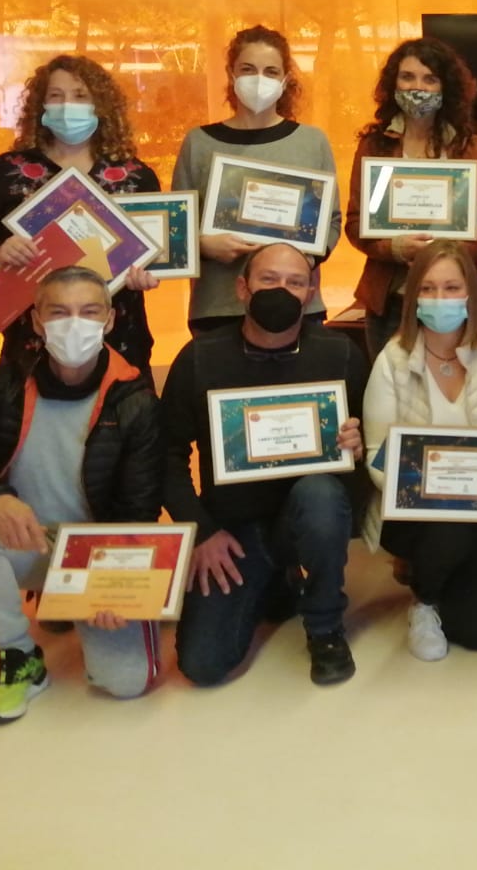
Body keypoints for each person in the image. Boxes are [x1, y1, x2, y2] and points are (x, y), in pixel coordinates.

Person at [0, 266, 164, 724]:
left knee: (126, 683)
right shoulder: (4, 384)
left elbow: (139, 509)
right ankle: (19, 655)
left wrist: (114, 586)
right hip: (27, 538)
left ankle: (87, 605)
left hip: (93, 555)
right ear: (36, 320)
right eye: (59, 312)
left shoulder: (135, 398)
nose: (74, 324)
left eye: (89, 312)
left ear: (110, 320)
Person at [161, 242, 367, 686]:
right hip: (232, 529)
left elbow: (369, 439)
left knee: (321, 493)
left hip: (308, 514)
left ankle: (325, 626)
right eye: (268, 279)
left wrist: (359, 441)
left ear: (311, 291)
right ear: (242, 288)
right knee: (203, 665)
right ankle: (276, 581)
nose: (281, 291)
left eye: (295, 282)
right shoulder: (199, 358)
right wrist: (201, 531)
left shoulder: (340, 353)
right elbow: (167, 454)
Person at [362, 240, 477, 660]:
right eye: (428, 288)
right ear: (412, 295)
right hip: (412, 511)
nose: (440, 298)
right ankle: (425, 600)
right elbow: (377, 452)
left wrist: (472, 484)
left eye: (452, 288)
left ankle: (438, 577)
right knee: (447, 527)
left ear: (471, 292)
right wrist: (423, 489)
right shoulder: (392, 358)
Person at [0, 54, 161, 371]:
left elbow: (157, 252)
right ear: (41, 106)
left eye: (80, 96)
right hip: (33, 336)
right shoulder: (7, 171)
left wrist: (147, 275)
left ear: (101, 105)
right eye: (56, 96)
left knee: (121, 403)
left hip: (118, 334)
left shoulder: (136, 176)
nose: (68, 106)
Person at [343, 37, 477, 364]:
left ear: (446, 87)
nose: (417, 87)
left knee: (458, 388)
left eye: (429, 79)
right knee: (393, 389)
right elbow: (355, 223)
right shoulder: (374, 148)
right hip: (391, 302)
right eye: (407, 77)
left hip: (457, 302)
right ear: (393, 84)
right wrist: (396, 248)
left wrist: (450, 251)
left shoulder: (475, 151)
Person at [171, 25, 342, 332]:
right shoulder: (199, 143)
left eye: (271, 71)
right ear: (231, 74)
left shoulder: (312, 142)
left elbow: (331, 222)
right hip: (217, 308)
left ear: (285, 79)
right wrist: (202, 246)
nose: (259, 79)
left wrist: (304, 259)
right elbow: (175, 230)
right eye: (248, 69)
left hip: (296, 307)